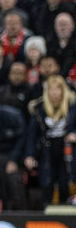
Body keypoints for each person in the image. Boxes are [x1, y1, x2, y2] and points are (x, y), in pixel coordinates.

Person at [26, 75, 76, 207]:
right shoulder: (39, 109)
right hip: (46, 151)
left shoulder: (72, 107)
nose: (54, 92)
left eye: (57, 89)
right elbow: (32, 134)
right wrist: (29, 155)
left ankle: (67, 210)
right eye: (51, 89)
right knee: (47, 182)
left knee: (66, 182)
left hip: (67, 151)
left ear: (63, 90)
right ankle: (47, 212)